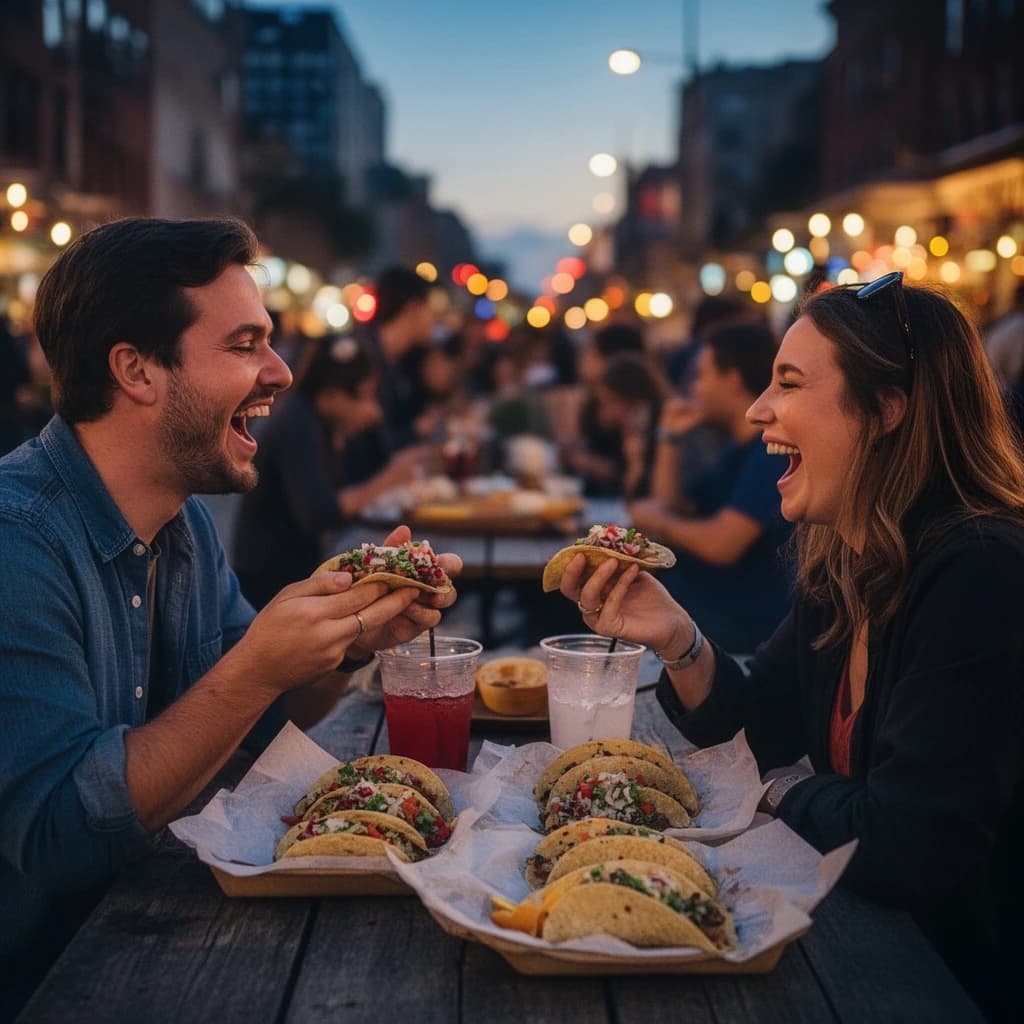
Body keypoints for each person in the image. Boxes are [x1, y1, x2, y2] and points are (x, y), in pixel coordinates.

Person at [555, 273, 1024, 1020]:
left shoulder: (980, 570)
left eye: (789, 384)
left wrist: (778, 792)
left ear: (885, 411)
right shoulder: (847, 557)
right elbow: (756, 724)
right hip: (861, 944)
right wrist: (676, 636)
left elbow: (907, 841)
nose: (756, 411)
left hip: (950, 980)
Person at [0, 218, 460, 980]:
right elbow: (59, 835)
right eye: (246, 346)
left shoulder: (182, 523)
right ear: (137, 370)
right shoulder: (18, 542)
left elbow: (266, 714)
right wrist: (254, 668)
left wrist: (349, 633)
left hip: (160, 922)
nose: (281, 372)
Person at [231, 334, 430, 609]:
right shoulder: (297, 425)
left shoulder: (322, 423)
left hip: (294, 570)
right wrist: (389, 478)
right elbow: (319, 513)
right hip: (270, 584)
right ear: (332, 394)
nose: (372, 409)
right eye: (363, 396)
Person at [629, 324, 793, 653]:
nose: (694, 389)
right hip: (706, 605)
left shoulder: (770, 453)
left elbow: (722, 544)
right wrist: (669, 439)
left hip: (741, 623)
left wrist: (659, 522)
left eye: (701, 376)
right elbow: (672, 505)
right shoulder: (738, 449)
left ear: (731, 378)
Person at [357, 265, 435, 450]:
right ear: (412, 309)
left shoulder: (394, 359)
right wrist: (416, 430)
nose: (434, 318)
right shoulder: (364, 360)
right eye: (430, 309)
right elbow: (365, 448)